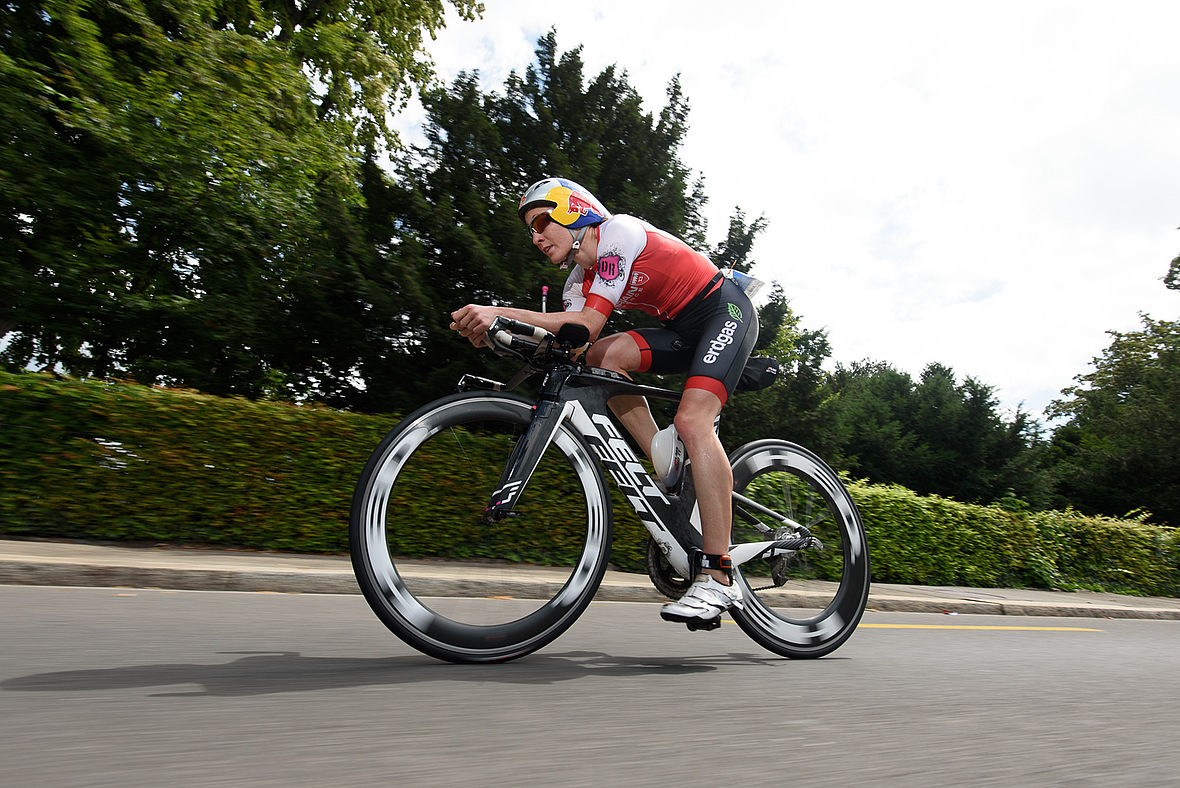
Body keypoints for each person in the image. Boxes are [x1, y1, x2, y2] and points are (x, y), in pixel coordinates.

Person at [449, 177, 759, 628]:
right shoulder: (578, 279)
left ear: (575, 210)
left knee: (693, 422)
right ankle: (663, 456)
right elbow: (573, 340)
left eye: (541, 221)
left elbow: (588, 322)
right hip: (679, 328)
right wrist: (501, 336)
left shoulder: (618, 233)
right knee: (601, 358)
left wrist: (502, 312)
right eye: (530, 230)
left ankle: (719, 576)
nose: (535, 236)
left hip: (723, 312)